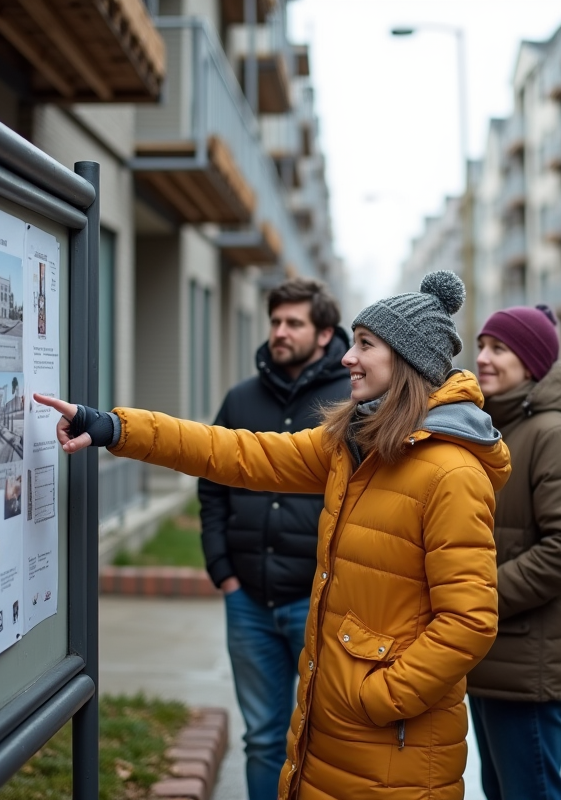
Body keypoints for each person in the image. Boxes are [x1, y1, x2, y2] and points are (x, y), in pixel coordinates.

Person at [38, 271, 510, 800]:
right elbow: (236, 452)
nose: (346, 359)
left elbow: (469, 621)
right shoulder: (350, 446)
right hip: (333, 723)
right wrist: (114, 428)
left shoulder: (452, 473)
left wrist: (379, 697)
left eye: (364, 345)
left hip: (393, 744)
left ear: (406, 360)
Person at [198, 278, 349, 800]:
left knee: (325, 737)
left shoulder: (352, 401)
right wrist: (222, 569)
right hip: (249, 602)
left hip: (321, 601)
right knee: (262, 738)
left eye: (294, 323)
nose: (280, 332)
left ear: (326, 333)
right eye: (276, 321)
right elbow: (211, 479)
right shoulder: (240, 398)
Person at [467, 305, 561, 800]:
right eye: (482, 346)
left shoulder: (552, 434)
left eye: (499, 349)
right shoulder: (497, 428)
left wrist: (477, 596)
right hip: (493, 651)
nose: (483, 358)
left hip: (527, 659)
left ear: (532, 364)